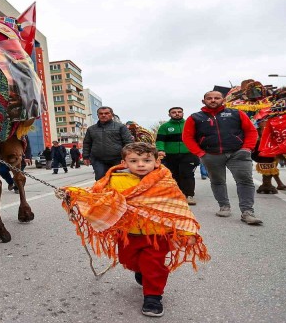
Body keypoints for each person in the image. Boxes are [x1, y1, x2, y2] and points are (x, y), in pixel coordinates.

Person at [62, 142, 209, 317]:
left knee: (153, 265)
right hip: (127, 233)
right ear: (124, 163)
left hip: (156, 235)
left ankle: (153, 297)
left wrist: (188, 232)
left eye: (146, 160)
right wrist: (72, 193)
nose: (140, 164)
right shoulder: (114, 179)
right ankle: (141, 271)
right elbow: (95, 195)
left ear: (156, 162)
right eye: (134, 160)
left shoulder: (165, 181)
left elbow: (177, 207)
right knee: (129, 261)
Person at [182, 91, 262, 225]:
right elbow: (187, 137)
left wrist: (247, 148)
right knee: (217, 181)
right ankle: (224, 206)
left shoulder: (236, 113)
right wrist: (200, 153)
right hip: (211, 155)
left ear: (223, 100)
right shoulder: (195, 118)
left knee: (245, 181)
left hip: (238, 153)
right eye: (209, 98)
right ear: (204, 101)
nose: (213, 100)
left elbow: (251, 131)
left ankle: (248, 212)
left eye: (217, 98)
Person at [156, 107, 199, 205]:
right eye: (174, 112)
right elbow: (160, 140)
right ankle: (178, 194)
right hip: (170, 155)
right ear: (169, 114)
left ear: (183, 113)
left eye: (179, 112)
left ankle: (189, 195)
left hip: (189, 154)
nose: (177, 114)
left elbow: (199, 138)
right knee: (174, 175)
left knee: (187, 174)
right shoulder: (164, 126)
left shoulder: (190, 124)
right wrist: (161, 150)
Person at [82, 106, 134, 180]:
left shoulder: (121, 127)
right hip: (98, 160)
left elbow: (128, 142)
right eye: (101, 113)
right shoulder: (91, 129)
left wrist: (128, 157)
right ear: (98, 115)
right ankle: (101, 192)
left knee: (119, 179)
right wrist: (86, 157)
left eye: (106, 113)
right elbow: (87, 143)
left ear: (112, 115)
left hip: (118, 159)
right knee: (101, 179)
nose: (103, 115)